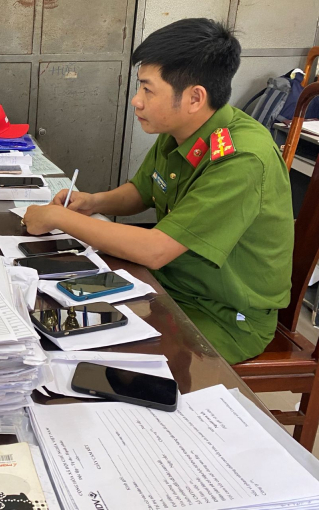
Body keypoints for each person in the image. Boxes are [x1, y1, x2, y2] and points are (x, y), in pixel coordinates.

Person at [23, 18, 294, 364]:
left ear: (195, 97)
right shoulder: (181, 128)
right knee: (49, 311)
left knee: (93, 357)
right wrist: (92, 202)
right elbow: (143, 190)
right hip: (167, 286)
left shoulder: (241, 158)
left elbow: (155, 250)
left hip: (223, 316)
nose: (136, 101)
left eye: (148, 90)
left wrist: (58, 217)